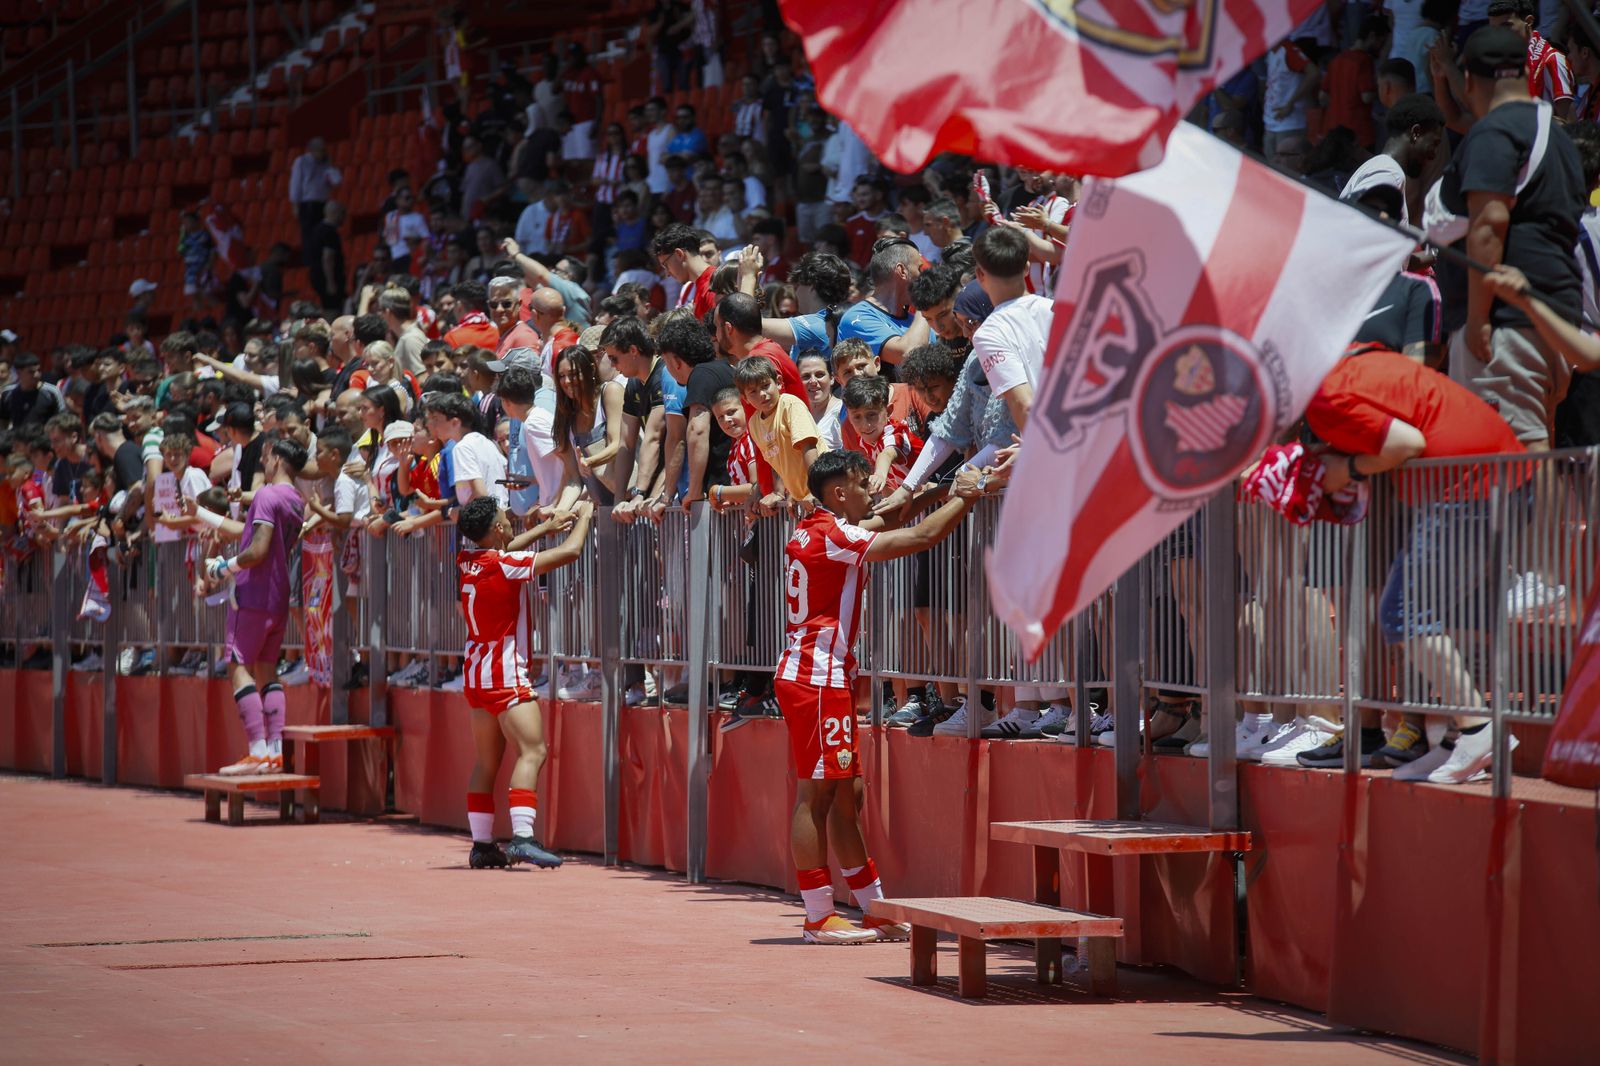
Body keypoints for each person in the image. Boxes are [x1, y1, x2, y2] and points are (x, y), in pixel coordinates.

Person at [777, 449, 976, 944]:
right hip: (817, 679)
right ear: (839, 492)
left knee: (848, 795)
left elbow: (886, 514)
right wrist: (967, 497)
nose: (872, 490)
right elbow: (921, 536)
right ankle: (818, 915)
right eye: (862, 484)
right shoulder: (837, 535)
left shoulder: (818, 526)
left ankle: (875, 908)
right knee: (818, 795)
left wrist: (932, 491)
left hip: (822, 677)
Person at [1436, 25, 1585, 451]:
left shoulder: (1495, 132)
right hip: (1555, 317)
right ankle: (1550, 522)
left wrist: (1479, 319)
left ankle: (1546, 523)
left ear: (1469, 81)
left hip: (1506, 325)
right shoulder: (1557, 135)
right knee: (1538, 441)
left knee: (1517, 452)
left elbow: (1489, 224)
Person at [454, 495, 594, 869]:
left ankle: (482, 845)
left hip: (475, 671)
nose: (510, 520)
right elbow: (571, 552)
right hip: (505, 671)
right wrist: (585, 515)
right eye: (506, 517)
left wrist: (545, 527)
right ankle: (523, 837)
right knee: (533, 751)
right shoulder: (504, 564)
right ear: (498, 528)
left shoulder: (469, 561)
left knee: (486, 762)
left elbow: (505, 547)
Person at [203, 436, 308, 775]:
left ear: (277, 458)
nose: (262, 461)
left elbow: (258, 549)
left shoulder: (267, 495)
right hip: (277, 597)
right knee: (267, 668)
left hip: (252, 594)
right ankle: (274, 751)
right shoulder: (296, 499)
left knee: (238, 666)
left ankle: (257, 751)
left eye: (265, 455)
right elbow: (252, 536)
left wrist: (225, 567)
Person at [734, 354, 824, 510]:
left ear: (779, 383)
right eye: (753, 391)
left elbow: (808, 447)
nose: (762, 394)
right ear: (745, 398)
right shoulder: (754, 423)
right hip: (804, 498)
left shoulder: (790, 404)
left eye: (765, 386)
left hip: (824, 490)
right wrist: (783, 492)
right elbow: (775, 459)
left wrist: (817, 489)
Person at [653, 222, 716, 320]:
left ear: (679, 254)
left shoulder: (714, 286)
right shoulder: (702, 285)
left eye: (666, 265)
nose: (668, 274)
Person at [289, 137, 342, 254]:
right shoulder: (302, 161)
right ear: (312, 150)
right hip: (308, 204)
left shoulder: (325, 165)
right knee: (309, 236)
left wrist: (330, 165)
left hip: (323, 204)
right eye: (321, 150)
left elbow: (336, 181)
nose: (323, 153)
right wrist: (295, 204)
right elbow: (296, 183)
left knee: (322, 234)